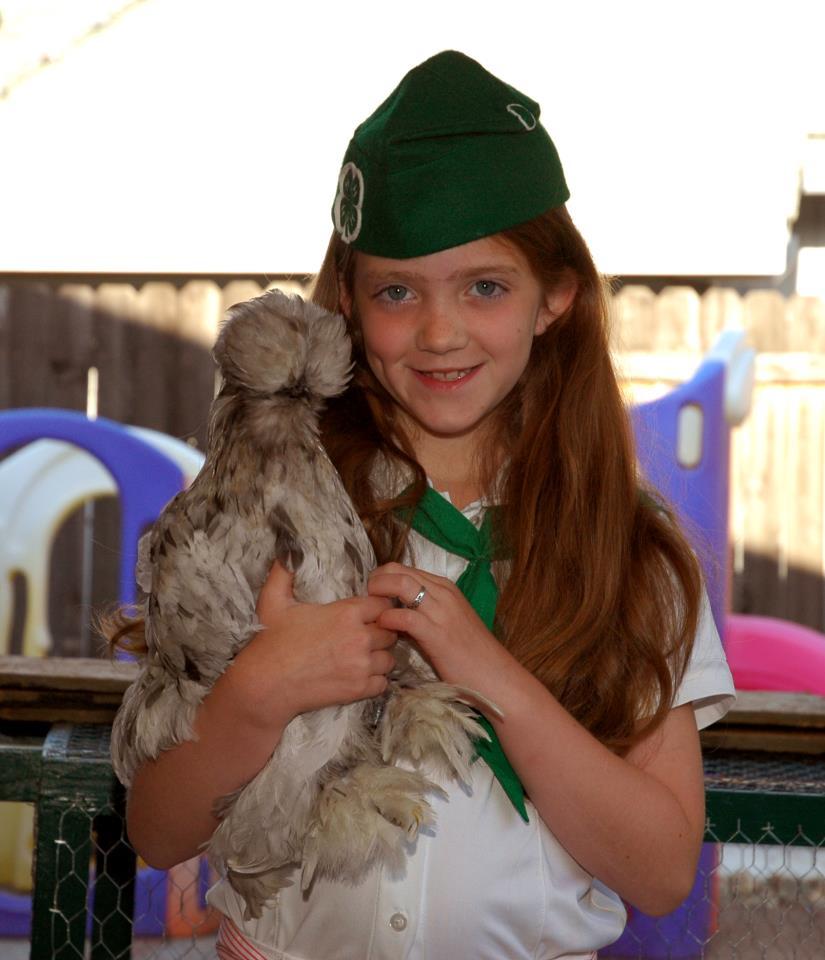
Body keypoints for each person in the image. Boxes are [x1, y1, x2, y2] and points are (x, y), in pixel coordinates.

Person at [123, 51, 736, 960]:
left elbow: (659, 871)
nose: (440, 332)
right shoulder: (256, 519)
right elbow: (157, 832)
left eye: (485, 287)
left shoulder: (626, 551)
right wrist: (258, 690)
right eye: (397, 291)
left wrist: (488, 672)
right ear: (346, 301)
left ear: (553, 298)